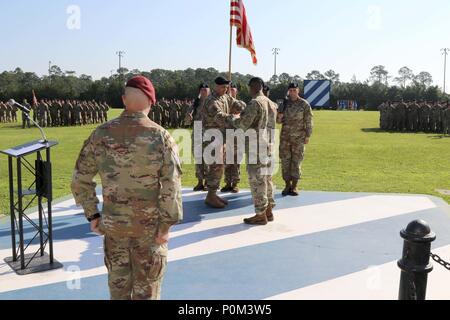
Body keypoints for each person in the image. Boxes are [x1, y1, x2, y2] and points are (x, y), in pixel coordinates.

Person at [71, 75, 183, 300]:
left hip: (114, 230)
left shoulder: (101, 134)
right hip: (149, 232)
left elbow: (80, 177)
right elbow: (171, 185)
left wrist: (92, 214)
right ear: (152, 101)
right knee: (147, 293)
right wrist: (166, 226)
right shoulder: (161, 137)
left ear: (123, 100)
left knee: (119, 292)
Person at [226, 77, 276, 225]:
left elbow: (242, 124)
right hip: (268, 144)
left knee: (257, 180)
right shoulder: (270, 103)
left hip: (256, 145)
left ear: (252, 87)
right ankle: (269, 211)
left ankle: (260, 214)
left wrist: (232, 118)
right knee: (267, 178)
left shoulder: (255, 103)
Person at [277, 83, 313, 196]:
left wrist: (308, 135)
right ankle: (287, 185)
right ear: (288, 91)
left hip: (299, 138)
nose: (292, 92)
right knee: (285, 162)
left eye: (294, 90)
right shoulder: (284, 103)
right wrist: (279, 116)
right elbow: (278, 121)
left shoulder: (304, 104)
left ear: (298, 91)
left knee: (296, 162)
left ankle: (294, 186)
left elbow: (309, 121)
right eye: (290, 90)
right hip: (285, 138)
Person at [222, 82, 246, 194]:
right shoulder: (225, 104)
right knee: (227, 161)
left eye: (233, 89)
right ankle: (227, 182)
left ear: (236, 91)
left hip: (238, 136)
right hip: (227, 135)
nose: (231, 91)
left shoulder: (240, 104)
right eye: (229, 89)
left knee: (236, 161)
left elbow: (243, 112)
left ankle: (235, 183)